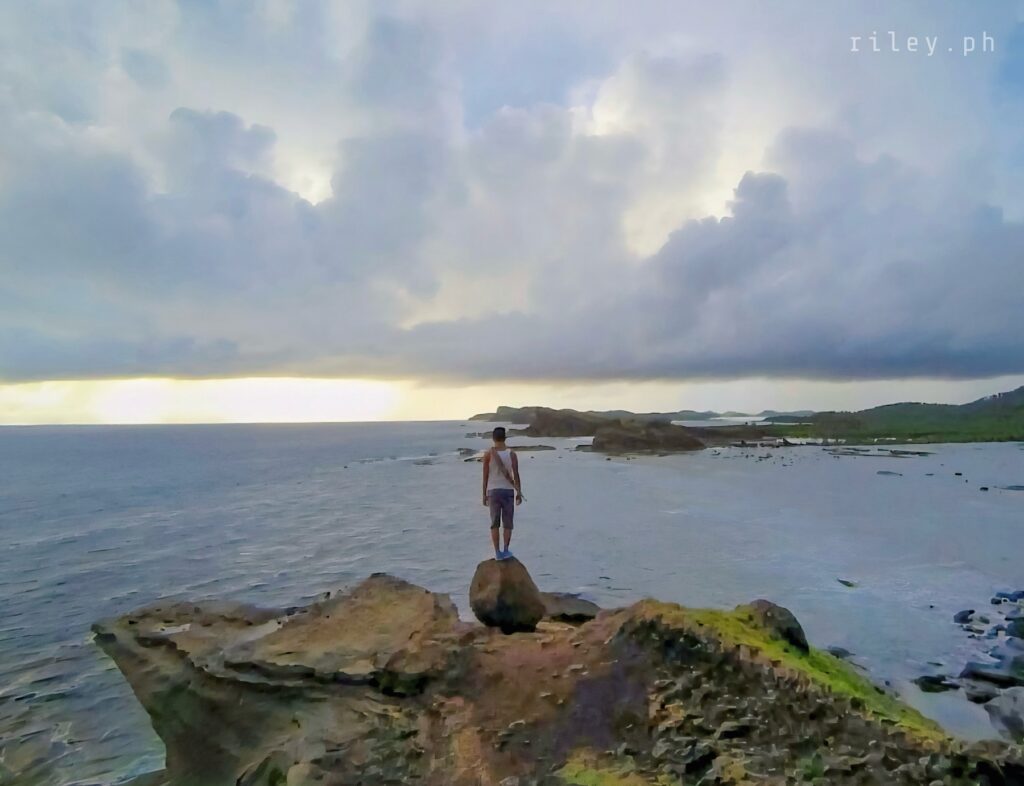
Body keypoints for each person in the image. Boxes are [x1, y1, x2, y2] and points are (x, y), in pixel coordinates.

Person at [482, 426, 524, 560]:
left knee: (494, 523)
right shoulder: (512, 454)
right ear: (505, 438)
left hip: (493, 491)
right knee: (508, 523)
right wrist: (519, 491)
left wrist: (484, 494)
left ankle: (497, 552)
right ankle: (506, 550)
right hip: (508, 491)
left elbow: (485, 476)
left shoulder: (488, 454)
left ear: (493, 438)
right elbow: (516, 474)